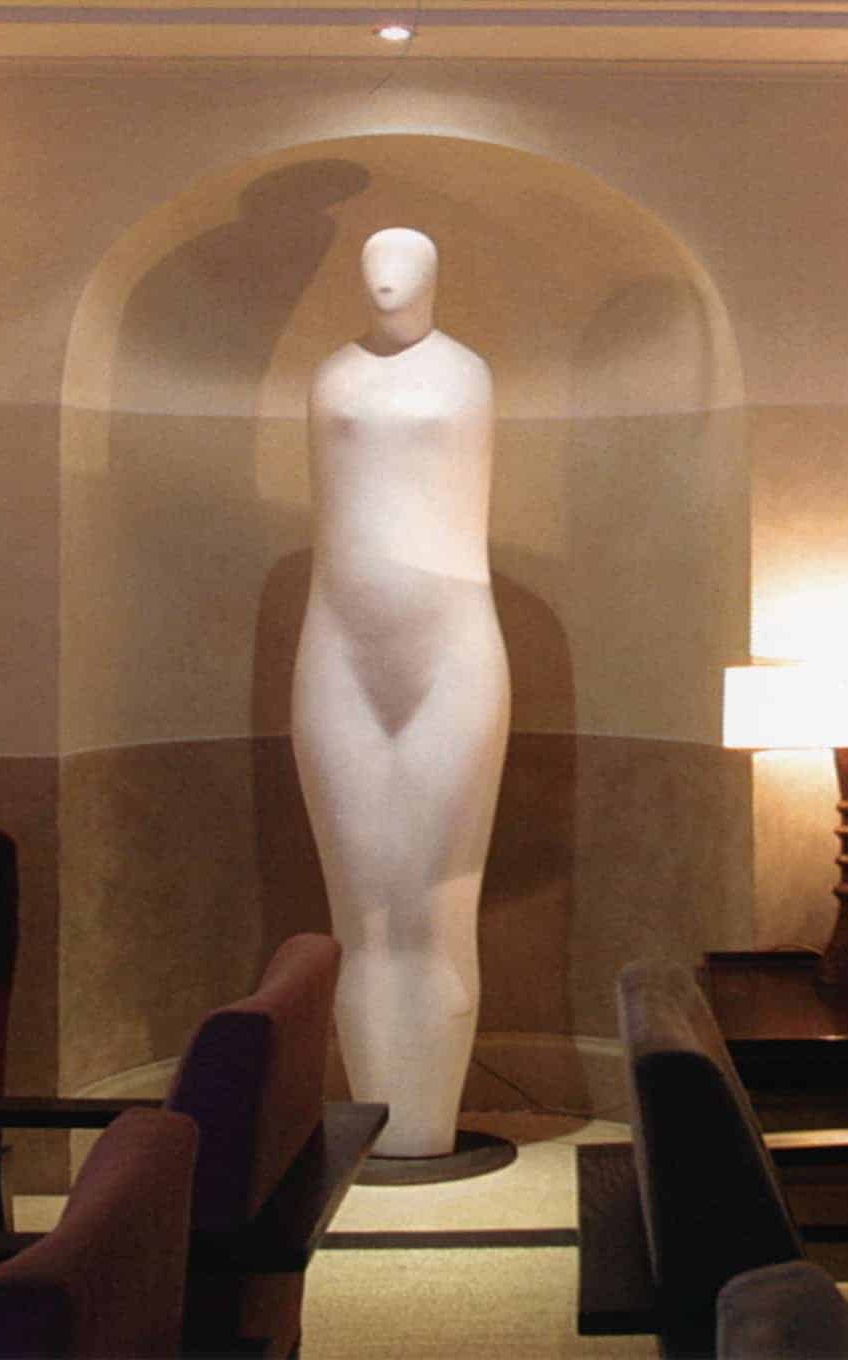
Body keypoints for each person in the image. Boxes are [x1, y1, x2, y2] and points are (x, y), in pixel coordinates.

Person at [292, 227, 509, 1159]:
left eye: (407, 262)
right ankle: (382, 1127)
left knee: (437, 904)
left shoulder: (468, 374)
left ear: (434, 273)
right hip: (336, 650)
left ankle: (427, 1127)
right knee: (360, 910)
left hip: (454, 651)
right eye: (373, 263)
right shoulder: (331, 377)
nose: (387, 281)